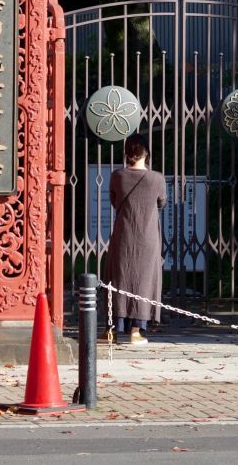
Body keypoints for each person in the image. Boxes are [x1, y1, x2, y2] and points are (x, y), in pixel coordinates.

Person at [104, 135, 166, 345]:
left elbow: (114, 200)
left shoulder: (117, 176)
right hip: (147, 238)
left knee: (118, 277)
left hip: (123, 234)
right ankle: (136, 331)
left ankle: (112, 329)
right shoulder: (156, 178)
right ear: (146, 153)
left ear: (126, 153)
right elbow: (161, 202)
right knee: (144, 281)